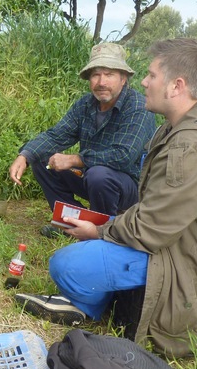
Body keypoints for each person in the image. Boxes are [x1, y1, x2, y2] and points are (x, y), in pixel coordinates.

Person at [15, 38, 197, 357]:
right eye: (96, 74)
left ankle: (84, 301)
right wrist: (28, 155)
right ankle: (88, 296)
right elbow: (160, 214)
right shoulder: (191, 125)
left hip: (195, 262)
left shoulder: (190, 147)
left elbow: (150, 228)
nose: (145, 82)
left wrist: (99, 230)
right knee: (92, 236)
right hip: (190, 238)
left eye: (150, 75)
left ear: (176, 85)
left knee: (67, 264)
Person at [9, 43, 156, 236]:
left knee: (99, 175)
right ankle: (70, 224)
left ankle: (104, 231)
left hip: (131, 186)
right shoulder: (85, 104)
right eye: (95, 75)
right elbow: (56, 135)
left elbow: (123, 155)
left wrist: (74, 159)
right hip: (92, 176)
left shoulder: (137, 107)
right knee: (43, 160)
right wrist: (25, 156)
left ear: (123, 78)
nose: (101, 82)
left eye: (109, 74)